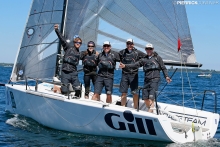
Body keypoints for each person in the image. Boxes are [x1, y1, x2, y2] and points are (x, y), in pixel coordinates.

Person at [119, 43, 172, 113]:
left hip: (155, 79)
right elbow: (135, 65)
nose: (149, 50)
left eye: (150, 49)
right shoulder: (144, 59)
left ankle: (149, 113)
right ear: (145, 50)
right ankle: (150, 110)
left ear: (153, 49)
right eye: (147, 49)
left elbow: (163, 68)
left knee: (151, 98)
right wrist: (125, 66)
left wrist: (166, 76)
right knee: (145, 98)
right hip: (147, 80)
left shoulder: (157, 58)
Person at [54, 24, 82, 97]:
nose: (78, 44)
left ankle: (75, 101)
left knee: (78, 90)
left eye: (79, 43)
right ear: (74, 43)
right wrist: (57, 30)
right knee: (64, 91)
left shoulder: (79, 53)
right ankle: (59, 89)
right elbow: (62, 39)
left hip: (73, 73)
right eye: (76, 42)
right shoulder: (69, 47)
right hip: (65, 72)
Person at [119, 39, 146, 109]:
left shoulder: (138, 52)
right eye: (128, 44)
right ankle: (122, 107)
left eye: (131, 44)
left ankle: (135, 107)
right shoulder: (122, 52)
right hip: (124, 74)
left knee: (135, 92)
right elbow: (113, 56)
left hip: (133, 75)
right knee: (123, 92)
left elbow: (146, 57)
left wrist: (139, 64)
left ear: (133, 44)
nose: (129, 45)